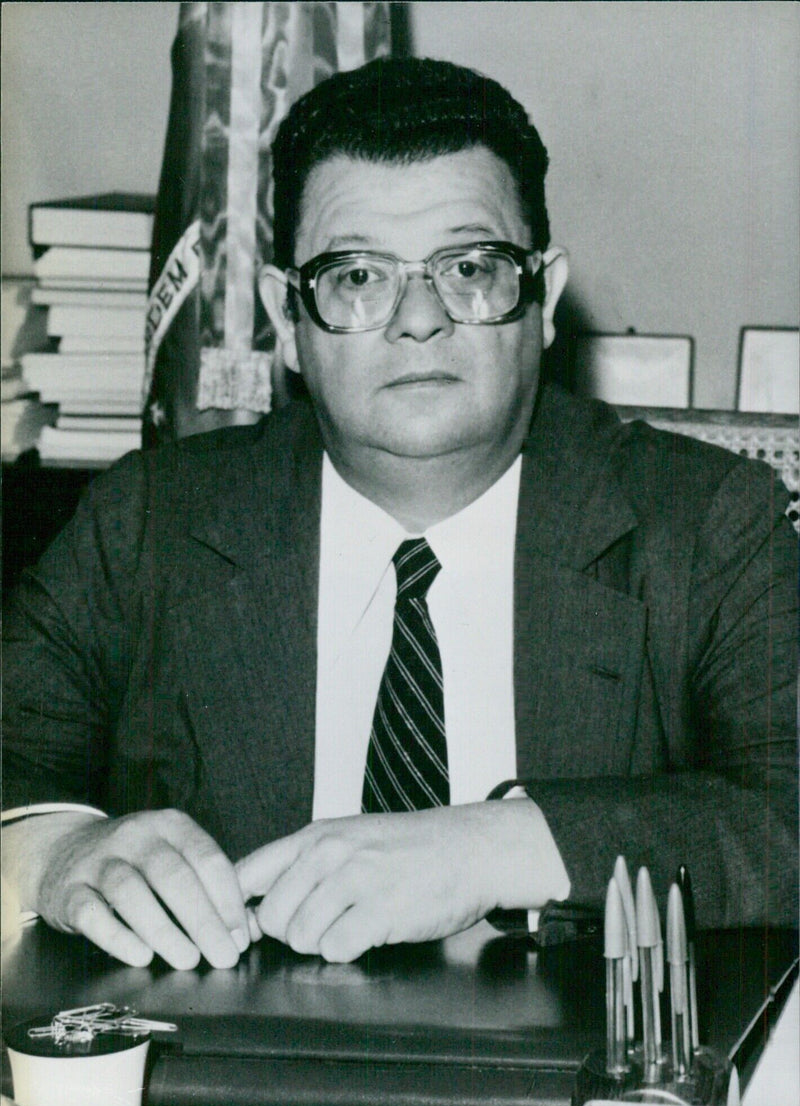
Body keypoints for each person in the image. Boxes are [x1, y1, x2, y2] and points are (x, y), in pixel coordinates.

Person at [3, 58, 797, 971]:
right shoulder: (147, 520)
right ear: (286, 318)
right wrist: (54, 848)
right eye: (356, 276)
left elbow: (787, 812)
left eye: (470, 266)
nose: (418, 318)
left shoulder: (704, 525)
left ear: (540, 300)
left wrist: (494, 844)